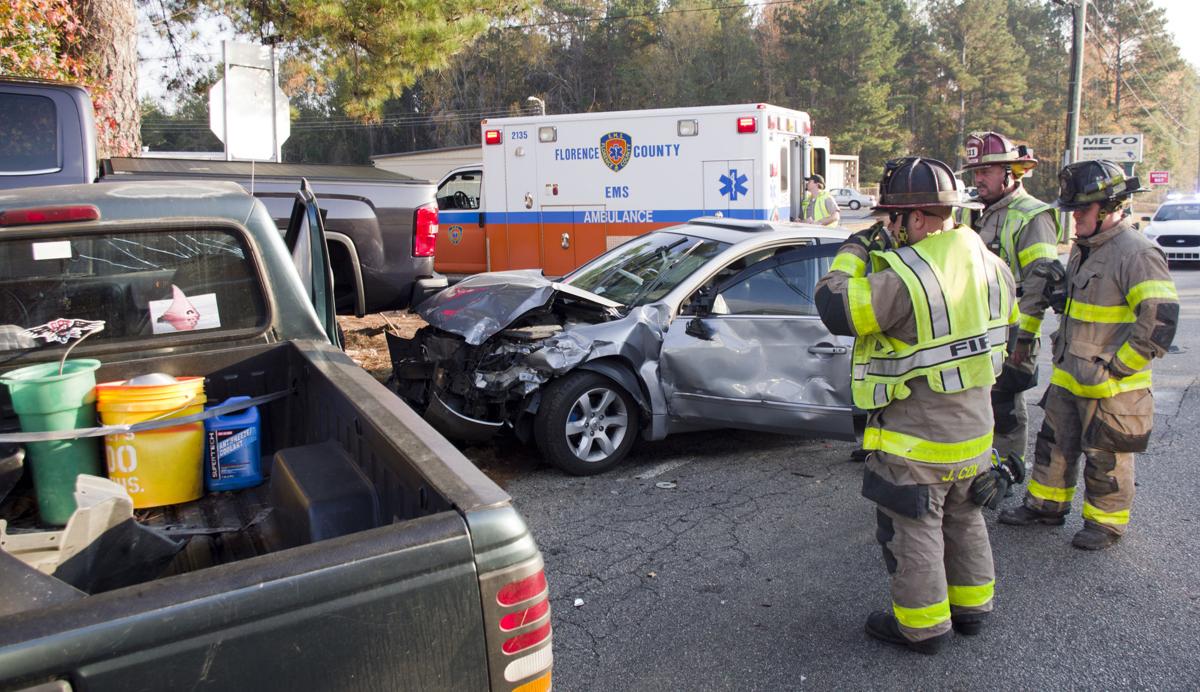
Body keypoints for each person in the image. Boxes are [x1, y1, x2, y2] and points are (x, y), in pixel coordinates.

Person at [815, 157, 1017, 654]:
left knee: (916, 528)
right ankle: (972, 609)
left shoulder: (907, 277)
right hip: (975, 430)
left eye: (893, 219)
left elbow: (834, 307)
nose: (891, 228)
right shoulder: (992, 264)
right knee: (965, 517)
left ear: (919, 219)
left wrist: (854, 248)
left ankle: (923, 628)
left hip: (918, 439)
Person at [999, 160, 1178, 550]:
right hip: (1070, 375)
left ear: (1110, 207)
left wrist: (1117, 370)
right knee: (1054, 447)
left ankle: (1104, 524)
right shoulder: (1085, 248)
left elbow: (1159, 322)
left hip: (1112, 384)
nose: (1074, 218)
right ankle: (1045, 505)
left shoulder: (1136, 252)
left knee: (1106, 456)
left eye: (1082, 210)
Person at [959, 131, 1065, 474]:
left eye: (986, 171)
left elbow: (1040, 283)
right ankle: (977, 466)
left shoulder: (1033, 216)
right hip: (974, 326)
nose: (978, 179)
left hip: (1012, 331)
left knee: (1005, 404)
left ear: (1010, 172)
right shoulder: (976, 213)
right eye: (976, 172)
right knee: (976, 399)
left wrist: (1024, 337)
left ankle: (1007, 470)